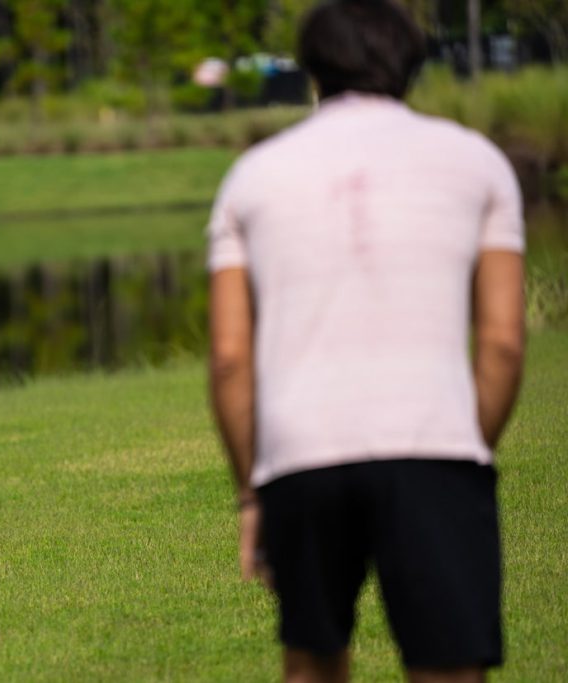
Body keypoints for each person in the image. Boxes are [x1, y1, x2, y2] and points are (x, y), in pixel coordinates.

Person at [206, 1, 525, 681]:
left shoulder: (252, 176)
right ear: (412, 62)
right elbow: (501, 342)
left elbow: (230, 357)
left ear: (312, 66)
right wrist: (466, 449)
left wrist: (251, 494)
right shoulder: (478, 163)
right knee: (449, 667)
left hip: (300, 455)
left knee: (312, 663)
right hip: (436, 445)